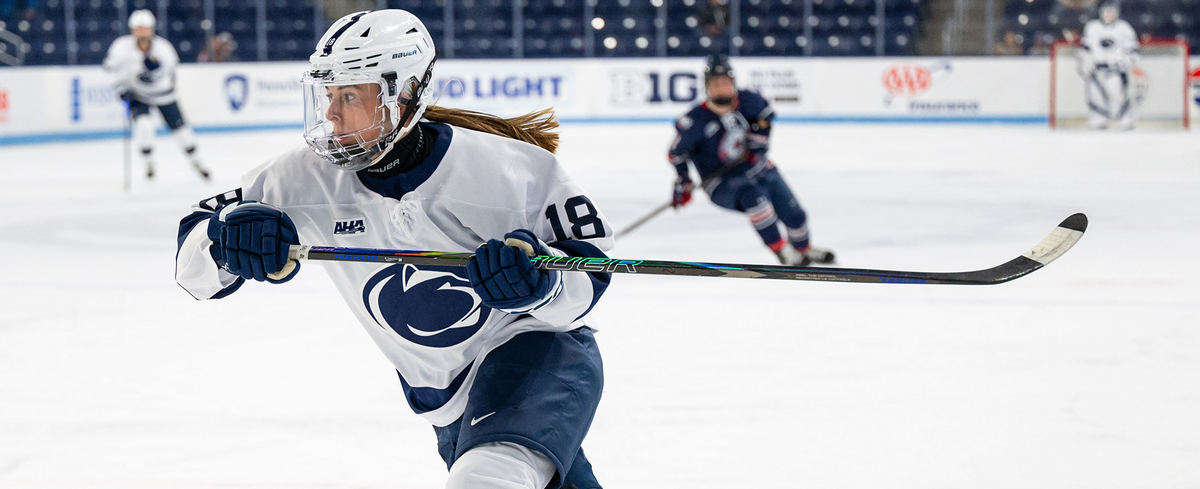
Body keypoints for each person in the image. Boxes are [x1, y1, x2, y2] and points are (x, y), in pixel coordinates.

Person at [174, 10, 610, 489]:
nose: (331, 114)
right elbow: (192, 265)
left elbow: (590, 266)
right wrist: (224, 241)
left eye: (349, 96)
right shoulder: (297, 179)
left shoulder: (508, 169)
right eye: (328, 95)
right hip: (447, 402)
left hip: (540, 354)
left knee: (487, 479)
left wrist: (544, 283)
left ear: (404, 94)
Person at [668, 54, 834, 266]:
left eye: (725, 82)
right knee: (755, 199)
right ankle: (782, 250)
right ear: (707, 87)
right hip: (722, 182)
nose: (721, 88)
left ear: (733, 83)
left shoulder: (749, 100)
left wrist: (759, 139)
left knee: (795, 215)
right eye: (715, 84)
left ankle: (804, 249)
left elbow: (765, 119)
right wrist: (683, 180)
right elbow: (676, 153)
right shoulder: (694, 121)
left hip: (759, 169)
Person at [104, 9, 209, 180]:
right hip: (138, 94)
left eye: (145, 28)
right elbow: (110, 69)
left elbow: (171, 74)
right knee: (144, 126)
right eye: (138, 28)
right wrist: (121, 89)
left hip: (164, 94)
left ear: (152, 29)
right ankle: (149, 162)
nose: (142, 32)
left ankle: (196, 161)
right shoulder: (121, 47)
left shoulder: (164, 48)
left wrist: (155, 74)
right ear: (132, 29)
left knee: (182, 131)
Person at [1077, 2, 1140, 130]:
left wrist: (1125, 63)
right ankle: (1098, 120)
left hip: (1115, 70)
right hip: (1097, 70)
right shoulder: (1092, 27)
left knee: (1119, 95)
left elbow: (1132, 49)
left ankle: (1126, 120)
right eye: (1106, 11)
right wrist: (1085, 64)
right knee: (1096, 96)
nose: (1108, 14)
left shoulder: (1124, 28)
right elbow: (1086, 49)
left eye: (1111, 12)